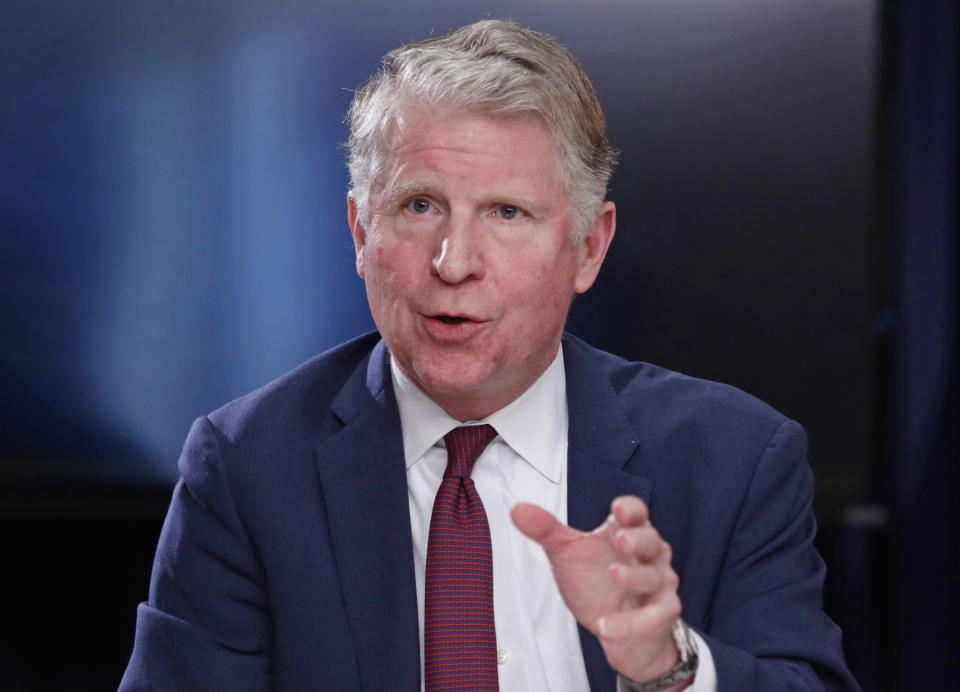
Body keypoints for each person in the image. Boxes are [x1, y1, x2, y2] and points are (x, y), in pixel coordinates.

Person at [120, 19, 859, 692]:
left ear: (588, 249)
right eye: (419, 206)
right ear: (358, 231)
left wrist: (667, 665)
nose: (454, 262)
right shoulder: (246, 465)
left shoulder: (734, 458)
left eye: (507, 213)